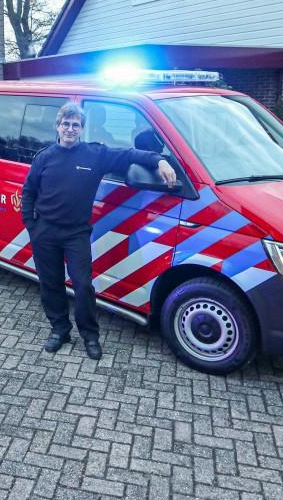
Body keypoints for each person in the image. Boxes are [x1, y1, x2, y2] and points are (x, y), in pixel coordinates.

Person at [22, 103, 178, 361]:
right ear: (58, 126)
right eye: (66, 124)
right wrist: (32, 225)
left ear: (81, 129)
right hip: (45, 232)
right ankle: (59, 330)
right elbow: (28, 192)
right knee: (50, 285)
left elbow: (129, 154)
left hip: (76, 234)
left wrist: (160, 159)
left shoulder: (96, 154)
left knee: (83, 286)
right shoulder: (44, 157)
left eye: (75, 125)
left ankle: (90, 336)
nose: (70, 129)